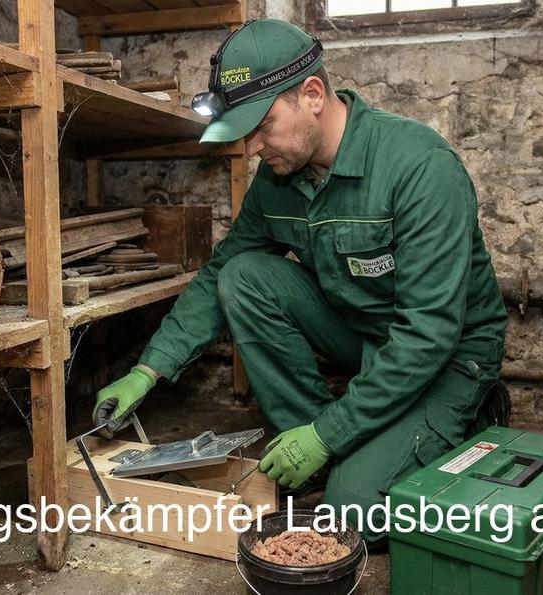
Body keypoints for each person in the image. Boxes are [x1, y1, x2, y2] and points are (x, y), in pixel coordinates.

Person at [91, 18, 508, 545]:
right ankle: (314, 448)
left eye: (262, 125)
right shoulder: (278, 180)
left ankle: (469, 413)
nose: (252, 149)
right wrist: (147, 371)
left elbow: (428, 334)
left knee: (352, 515)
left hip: (447, 352)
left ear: (312, 95)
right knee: (244, 276)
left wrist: (329, 434)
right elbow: (221, 273)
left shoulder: (420, 166)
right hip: (364, 332)